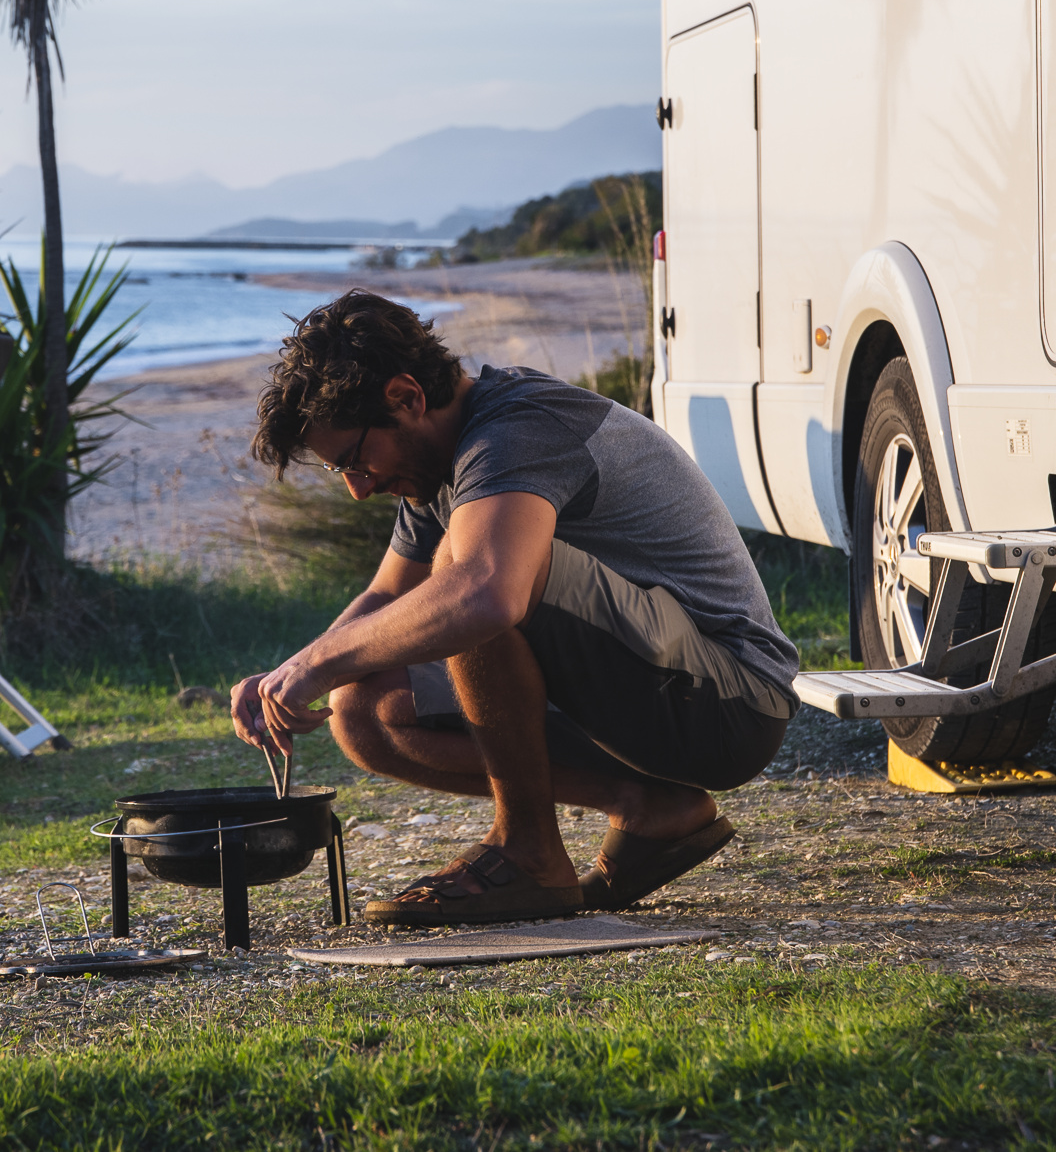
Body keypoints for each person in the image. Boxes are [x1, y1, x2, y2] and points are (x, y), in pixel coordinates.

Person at [230, 290, 798, 926]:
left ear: (407, 397)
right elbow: (387, 597)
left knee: (466, 577)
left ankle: (527, 853)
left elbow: (485, 592)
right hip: (647, 693)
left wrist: (323, 660)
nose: (357, 488)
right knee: (365, 709)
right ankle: (647, 804)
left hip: (729, 701)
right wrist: (294, 672)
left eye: (355, 460)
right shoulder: (438, 464)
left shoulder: (516, 430)